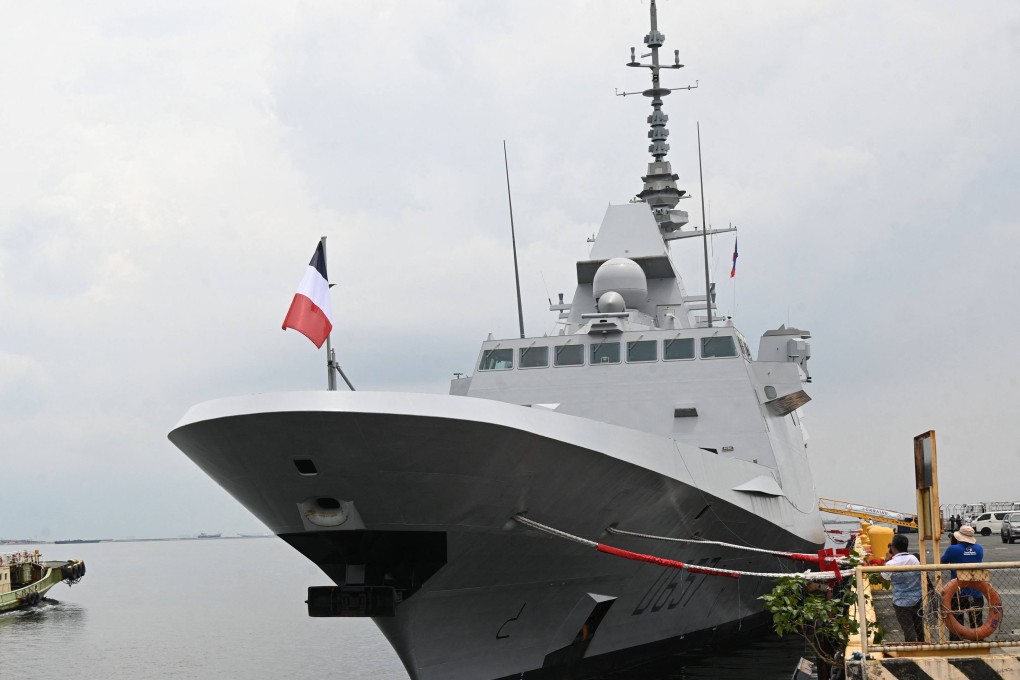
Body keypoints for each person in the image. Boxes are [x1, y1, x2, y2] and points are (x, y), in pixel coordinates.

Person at [941, 524, 985, 636]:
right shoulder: (979, 548)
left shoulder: (952, 549)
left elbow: (942, 562)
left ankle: (956, 642)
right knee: (976, 623)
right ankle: (978, 643)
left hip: (958, 592)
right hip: (976, 591)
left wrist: (952, 545)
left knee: (956, 622)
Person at [881, 534, 925, 642]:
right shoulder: (914, 559)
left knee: (908, 628)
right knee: (919, 627)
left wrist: (886, 559)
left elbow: (883, 578)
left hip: (901, 601)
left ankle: (912, 650)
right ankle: (923, 646)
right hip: (917, 599)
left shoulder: (891, 564)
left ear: (893, 548)